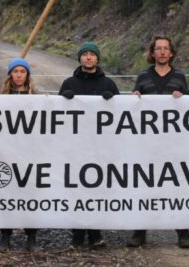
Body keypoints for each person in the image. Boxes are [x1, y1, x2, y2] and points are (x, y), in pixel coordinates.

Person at [127, 35, 189, 249]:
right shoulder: (144, 76)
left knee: (176, 185)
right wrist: (135, 97)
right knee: (146, 184)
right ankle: (140, 231)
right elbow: (135, 107)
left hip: (174, 143)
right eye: (159, 48)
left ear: (171, 53)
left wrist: (182, 97)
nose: (163, 52)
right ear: (152, 53)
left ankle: (183, 231)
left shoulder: (180, 76)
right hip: (147, 144)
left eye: (166, 49)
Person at [58, 41, 119, 249]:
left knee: (97, 189)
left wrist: (113, 101)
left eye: (93, 54)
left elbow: (121, 116)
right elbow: (57, 117)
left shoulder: (109, 84)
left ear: (98, 59)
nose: (89, 57)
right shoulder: (68, 82)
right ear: (80, 58)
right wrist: (63, 100)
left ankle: (95, 234)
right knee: (76, 189)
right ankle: (76, 235)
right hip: (75, 147)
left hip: (100, 147)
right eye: (85, 54)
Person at [0, 57, 40, 252]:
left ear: (27, 75)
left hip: (30, 154)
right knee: (7, 194)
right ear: (10, 74)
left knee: (31, 195)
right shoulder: (1, 98)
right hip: (7, 153)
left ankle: (32, 237)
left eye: (23, 71)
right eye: (15, 71)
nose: (19, 75)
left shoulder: (36, 97)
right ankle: (5, 237)